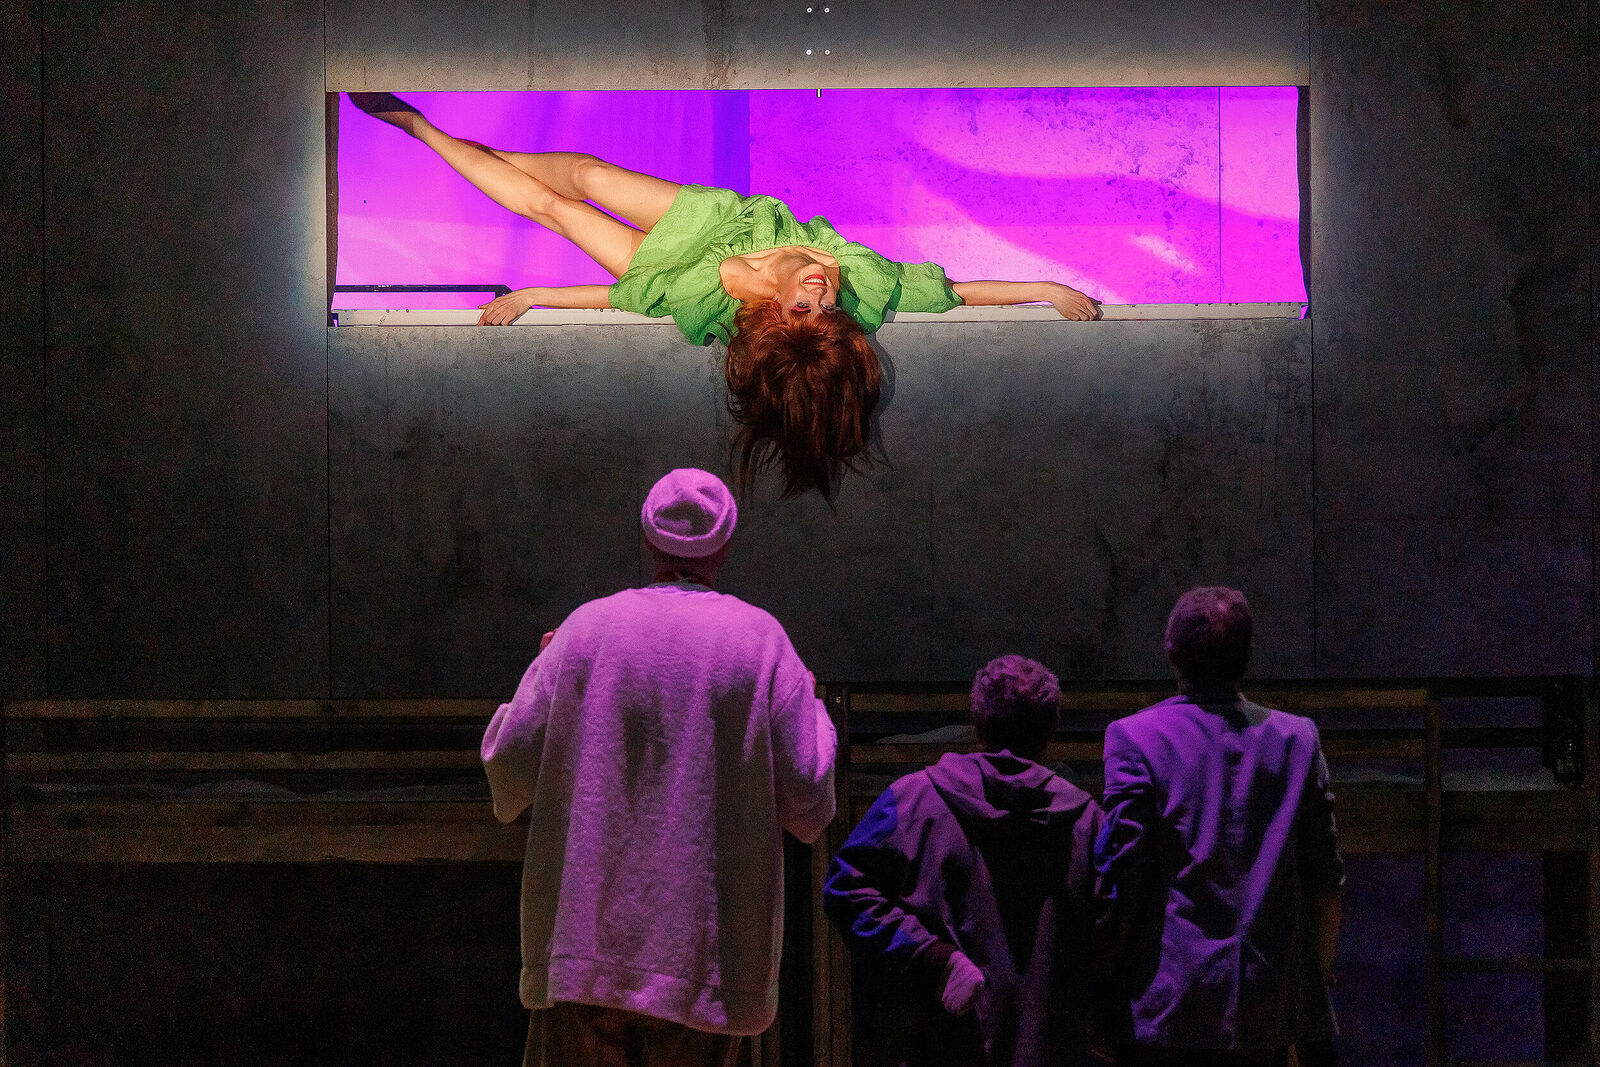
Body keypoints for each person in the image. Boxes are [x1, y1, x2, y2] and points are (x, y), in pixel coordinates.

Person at [348, 92, 1098, 499]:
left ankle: (419, 128)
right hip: (712, 223)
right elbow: (960, 293)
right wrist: (1047, 289)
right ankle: (475, 152)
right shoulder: (866, 292)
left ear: (775, 317)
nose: (818, 291)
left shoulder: (721, 306)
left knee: (557, 210)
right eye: (825, 308)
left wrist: (535, 295)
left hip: (674, 265)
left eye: (804, 307)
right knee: (586, 174)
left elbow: (624, 301)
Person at [480, 467, 837, 1067]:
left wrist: (545, 678)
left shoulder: (584, 630)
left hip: (584, 958)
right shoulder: (760, 641)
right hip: (703, 973)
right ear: (724, 548)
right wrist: (814, 707)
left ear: (647, 541)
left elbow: (508, 769)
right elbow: (809, 800)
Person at [1094, 587, 1343, 1067]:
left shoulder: (1134, 737)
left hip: (1167, 1007)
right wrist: (1310, 995)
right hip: (1268, 1009)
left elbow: (1123, 881)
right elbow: (1326, 881)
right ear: (1247, 656)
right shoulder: (1298, 739)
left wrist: (1103, 991)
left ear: (1172, 654)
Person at [822, 654, 1105, 1067]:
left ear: (977, 722)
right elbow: (1112, 927)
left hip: (938, 1044)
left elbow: (844, 889)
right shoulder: (1087, 822)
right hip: (1049, 1047)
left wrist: (932, 957)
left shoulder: (914, 800)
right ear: (1050, 731)